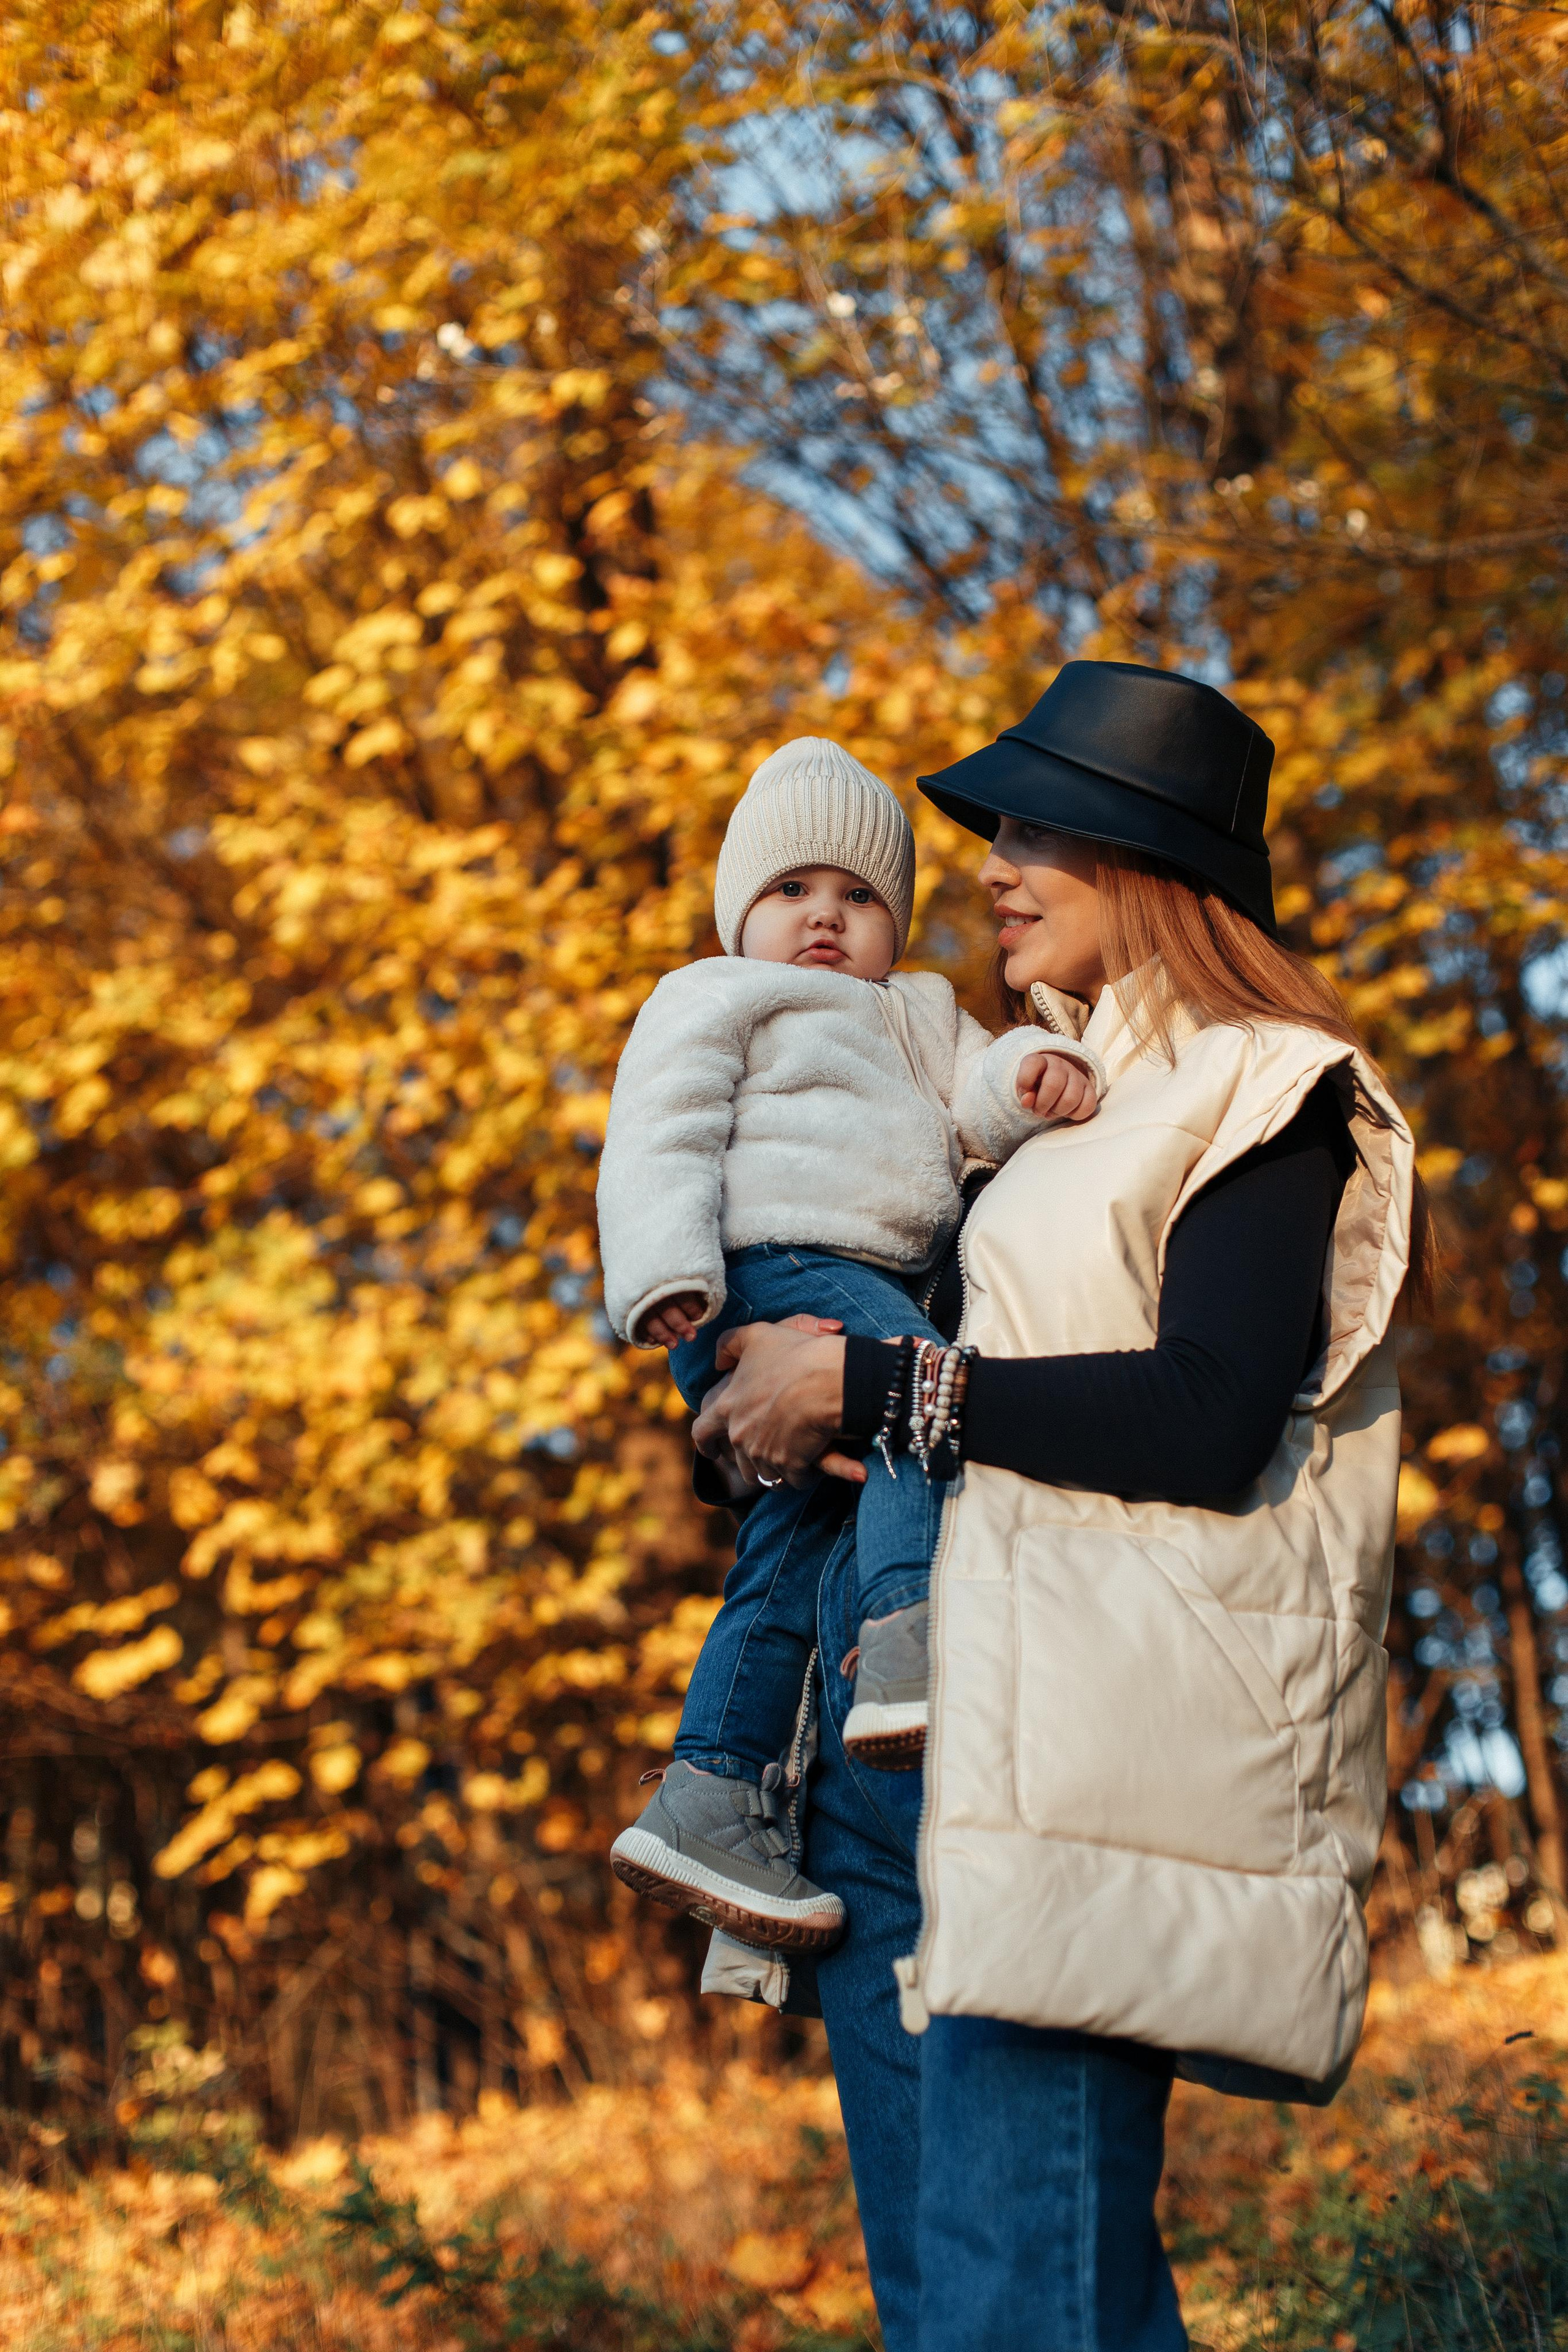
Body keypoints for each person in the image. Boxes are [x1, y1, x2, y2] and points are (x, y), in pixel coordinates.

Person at [688, 660, 1428, 2352]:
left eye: (1032, 830)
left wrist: (867, 1390)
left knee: (1030, 2313)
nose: (992, 870)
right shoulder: (1032, 1105)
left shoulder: (1267, 1088)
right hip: (886, 1770)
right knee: (955, 2312)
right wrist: (760, 1415)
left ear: (1143, 857)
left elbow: (1210, 1409)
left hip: (1067, 1771)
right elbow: (913, 1381)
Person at [596, 737, 1104, 1957]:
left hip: (872, 1277)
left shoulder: (919, 1010)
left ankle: (713, 1789)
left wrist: (1031, 1071)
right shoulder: (714, 995)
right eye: (791, 893)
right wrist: (663, 1273)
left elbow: (969, 1099)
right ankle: (905, 1641)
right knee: (930, 1402)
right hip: (765, 1268)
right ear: (739, 914)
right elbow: (657, 1133)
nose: (824, 919)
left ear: (893, 923)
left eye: (857, 898)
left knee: (787, 1544)